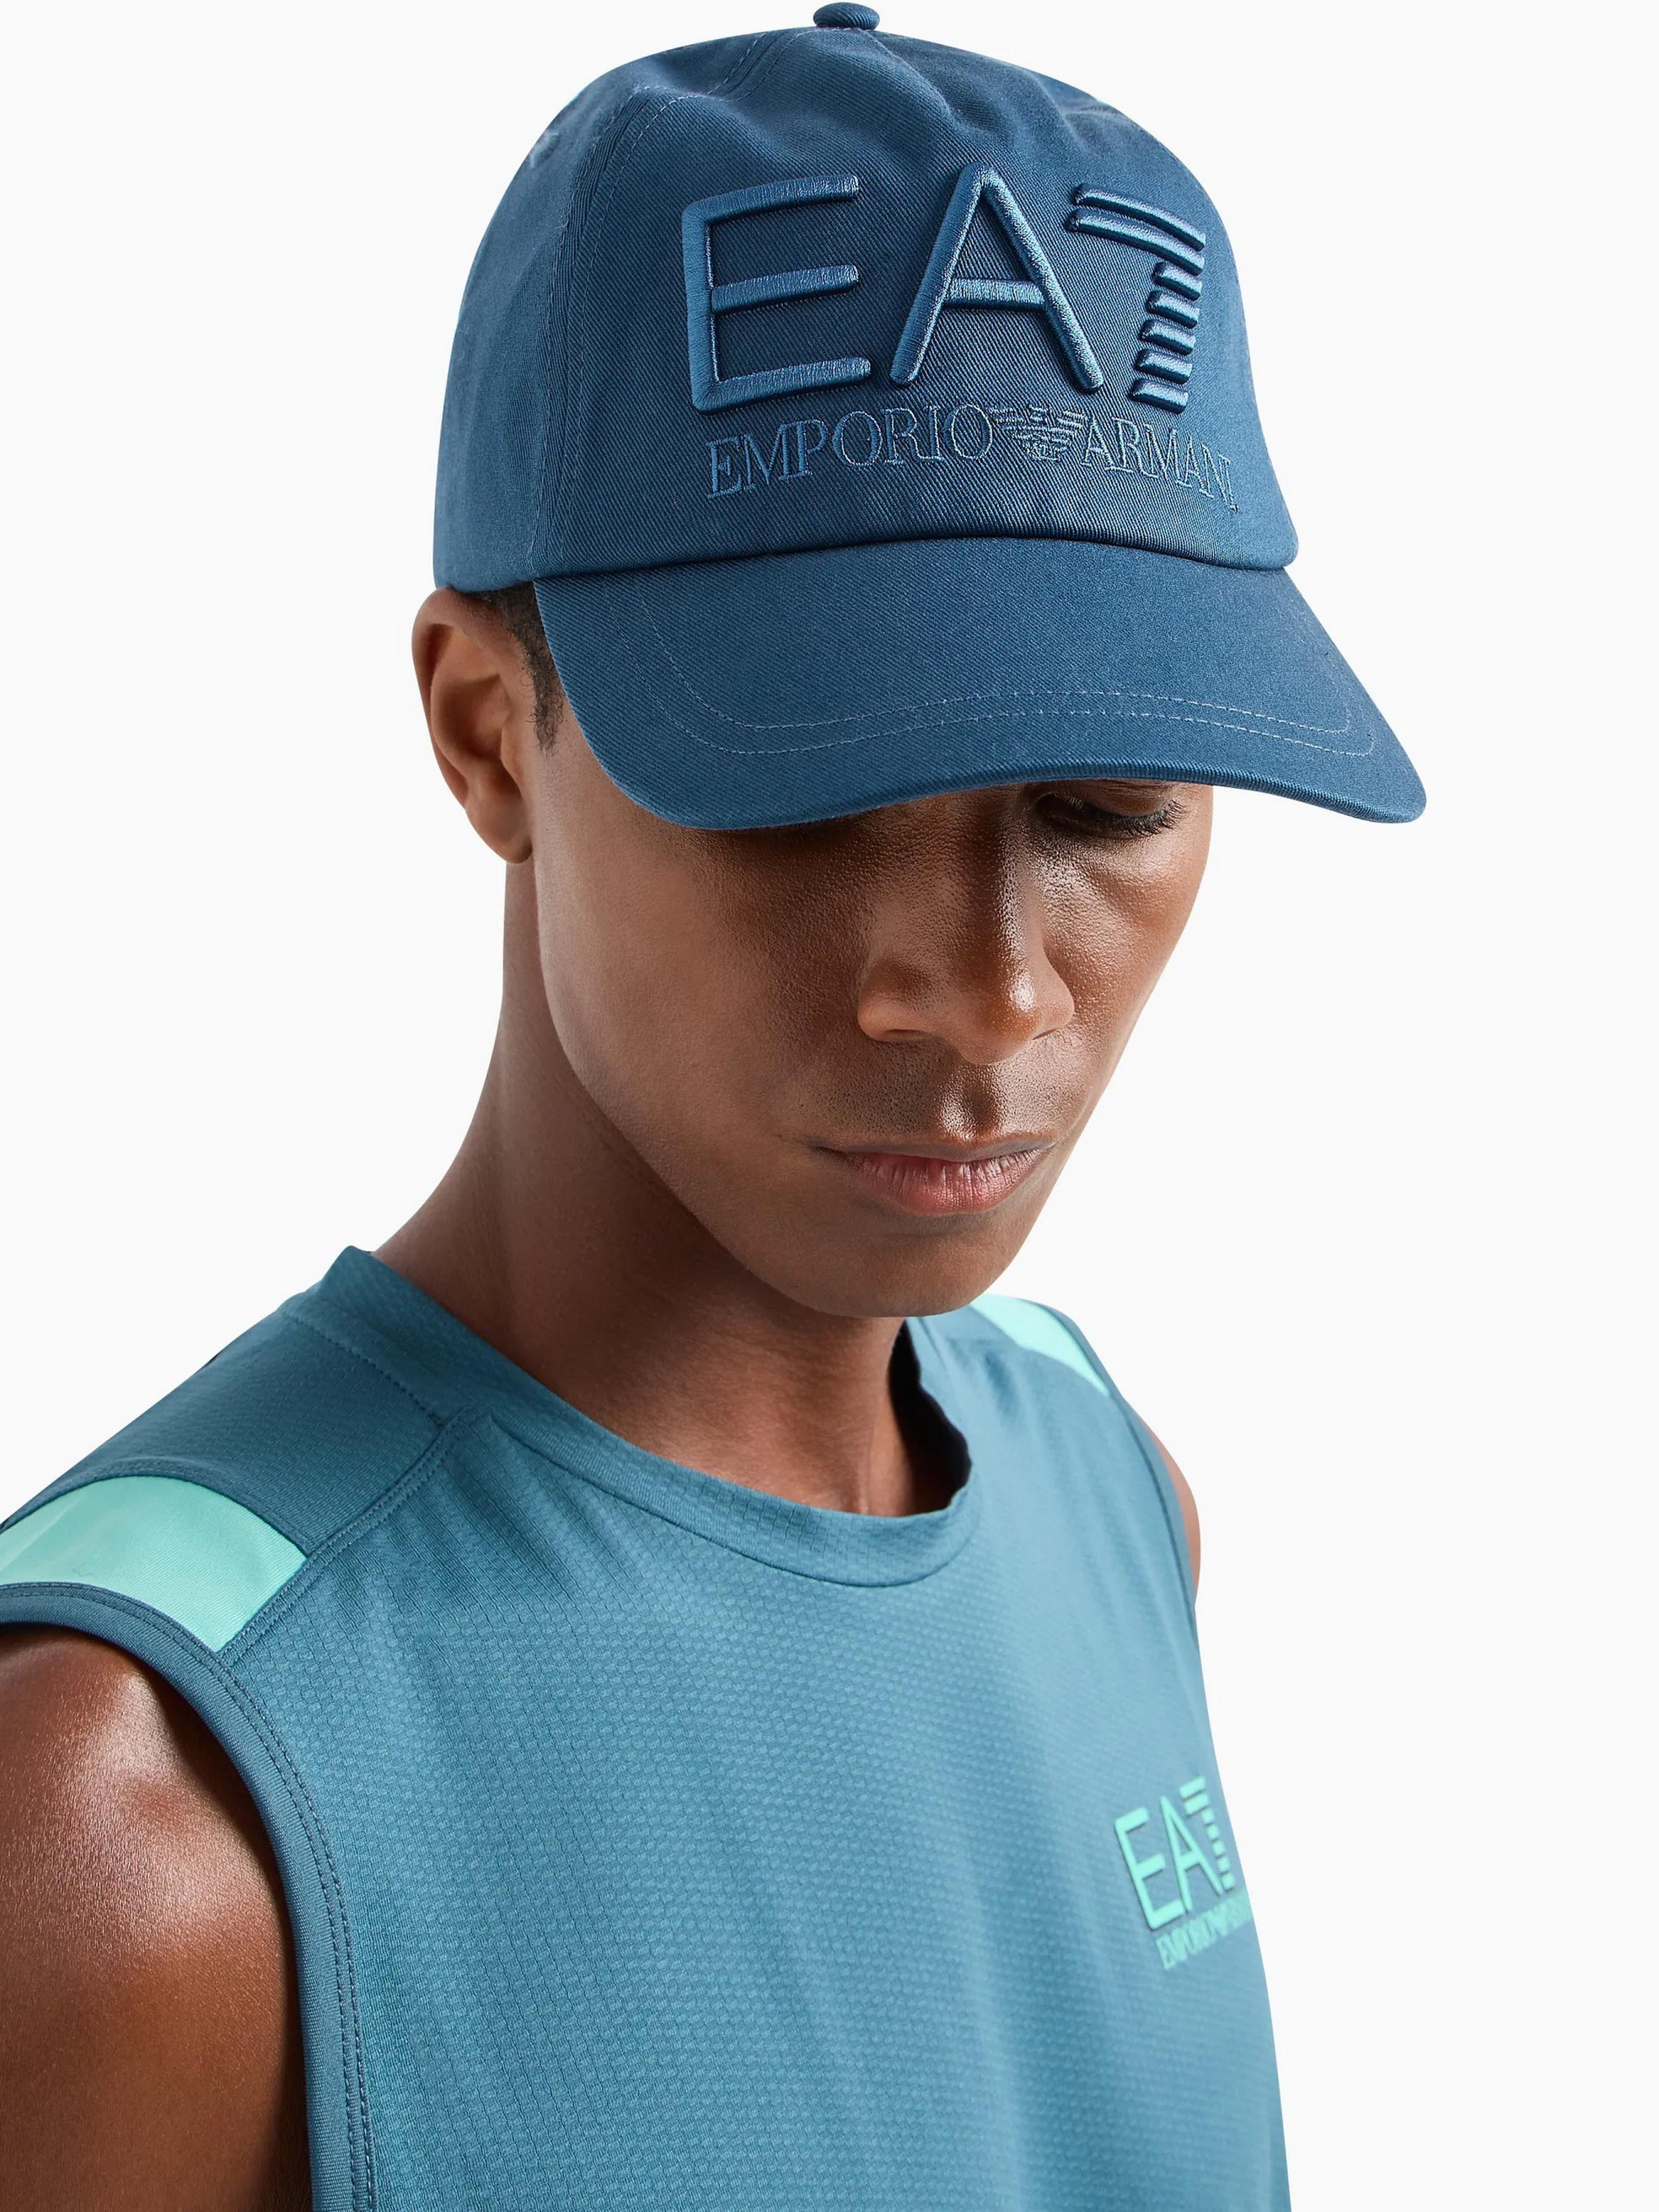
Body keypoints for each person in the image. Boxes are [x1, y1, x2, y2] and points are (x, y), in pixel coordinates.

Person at [0, 7, 1422, 2207]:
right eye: (810, 791)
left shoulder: (1111, 1494)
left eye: (1110, 801)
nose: (988, 988)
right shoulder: (133, 1811)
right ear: (490, 731)